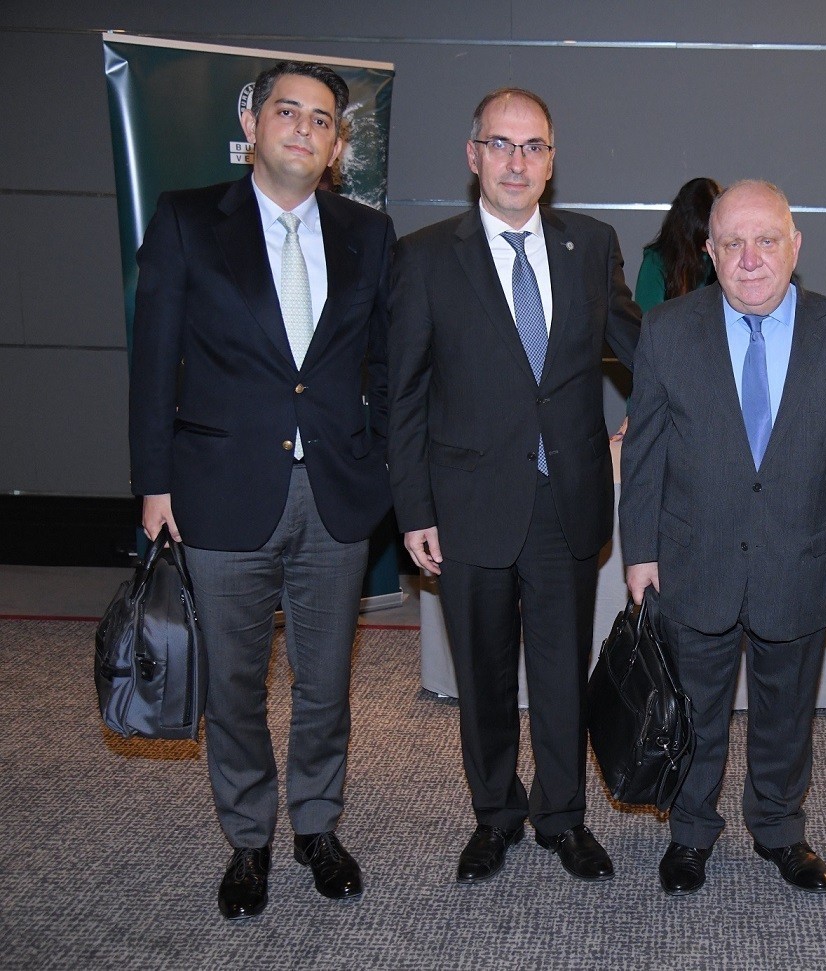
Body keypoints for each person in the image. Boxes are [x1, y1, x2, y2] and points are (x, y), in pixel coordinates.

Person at [129, 61, 395, 920]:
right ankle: (249, 837)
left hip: (336, 495)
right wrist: (153, 484)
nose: (304, 129)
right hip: (218, 492)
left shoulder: (368, 232)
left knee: (325, 683)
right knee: (234, 685)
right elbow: (152, 362)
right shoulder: (186, 220)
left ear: (336, 144)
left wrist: (386, 466)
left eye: (322, 119)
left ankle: (317, 824)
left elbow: (387, 366)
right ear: (252, 126)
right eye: (289, 111)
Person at [387, 88, 641, 886]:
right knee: (484, 675)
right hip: (467, 506)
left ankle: (562, 815)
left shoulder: (591, 245)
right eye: (501, 143)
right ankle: (495, 814)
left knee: (563, 672)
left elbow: (645, 350)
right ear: (473, 155)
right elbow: (402, 394)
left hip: (566, 500)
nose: (517, 161)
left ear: (552, 161)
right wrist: (414, 507)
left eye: (533, 147)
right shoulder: (426, 256)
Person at [621, 180, 826, 897]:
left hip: (798, 563)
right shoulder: (668, 330)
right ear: (709, 251)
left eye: (766, 240)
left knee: (786, 714)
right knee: (694, 710)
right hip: (693, 560)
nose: (751, 259)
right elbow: (644, 452)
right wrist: (639, 552)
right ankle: (690, 832)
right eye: (733, 243)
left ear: (794, 246)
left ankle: (779, 829)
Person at [634, 177, 722, 313]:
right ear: (686, 229)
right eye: (703, 236)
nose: (708, 245)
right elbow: (649, 318)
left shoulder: (722, 259)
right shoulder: (656, 262)